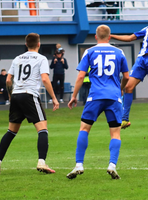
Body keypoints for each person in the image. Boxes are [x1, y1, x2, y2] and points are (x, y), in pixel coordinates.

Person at [66, 25, 129, 180]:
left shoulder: (89, 51)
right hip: (114, 97)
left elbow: (81, 77)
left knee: (84, 128)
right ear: (109, 36)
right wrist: (120, 89)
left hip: (95, 96)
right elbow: (127, 77)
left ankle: (79, 164)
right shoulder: (119, 52)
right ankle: (112, 165)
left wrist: (74, 96)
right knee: (115, 132)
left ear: (96, 36)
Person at [0, 33, 59, 174]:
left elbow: (9, 80)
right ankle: (41, 162)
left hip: (15, 95)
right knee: (42, 129)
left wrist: (11, 95)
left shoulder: (17, 58)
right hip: (29, 94)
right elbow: (45, 79)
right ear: (39, 44)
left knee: (11, 131)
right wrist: (54, 98)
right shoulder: (41, 58)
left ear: (26, 44)